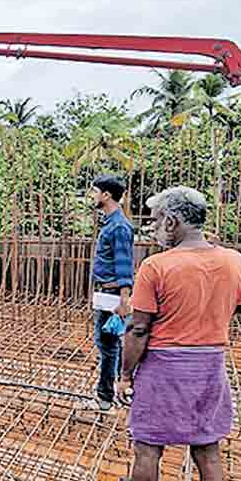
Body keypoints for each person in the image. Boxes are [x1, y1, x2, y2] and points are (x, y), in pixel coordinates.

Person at [94, 186, 241, 481]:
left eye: (157, 219)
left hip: (165, 367)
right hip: (210, 365)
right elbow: (233, 305)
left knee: (147, 450)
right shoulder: (234, 261)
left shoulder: (157, 266)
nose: (153, 226)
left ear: (173, 221)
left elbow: (139, 329)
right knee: (207, 454)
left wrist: (124, 376)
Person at [89, 174, 136, 411]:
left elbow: (124, 264)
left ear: (106, 195)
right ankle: (118, 390)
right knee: (110, 345)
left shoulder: (119, 226)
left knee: (107, 347)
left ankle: (105, 396)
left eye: (95, 191)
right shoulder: (111, 223)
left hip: (113, 297)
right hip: (107, 295)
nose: (92, 196)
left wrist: (124, 300)